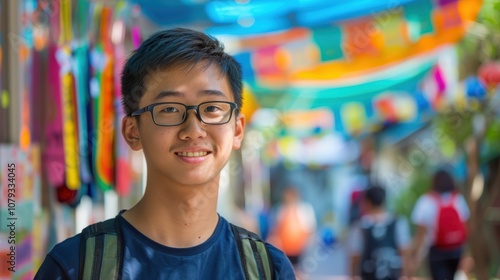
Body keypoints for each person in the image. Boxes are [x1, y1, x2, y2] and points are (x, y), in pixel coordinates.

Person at [35, 28, 295, 279]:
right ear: (132, 131)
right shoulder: (75, 267)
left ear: (237, 129)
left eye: (212, 108)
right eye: (169, 109)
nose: (193, 130)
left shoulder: (267, 269)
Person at [410, 169, 470, 280]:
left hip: (436, 251)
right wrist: (465, 252)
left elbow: (421, 234)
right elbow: (465, 227)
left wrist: (415, 256)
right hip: (456, 250)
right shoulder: (458, 199)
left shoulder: (426, 201)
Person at [348, 185, 411, 280]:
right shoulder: (398, 222)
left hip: (368, 274)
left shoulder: (360, 225)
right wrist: (405, 275)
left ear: (367, 202)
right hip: (393, 274)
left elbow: (355, 255)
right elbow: (404, 251)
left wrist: (353, 275)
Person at [268, 186, 316, 269]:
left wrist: (308, 245)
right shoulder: (280, 209)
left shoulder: (304, 209)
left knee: (298, 270)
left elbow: (310, 229)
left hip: (300, 248)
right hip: (284, 248)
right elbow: (275, 229)